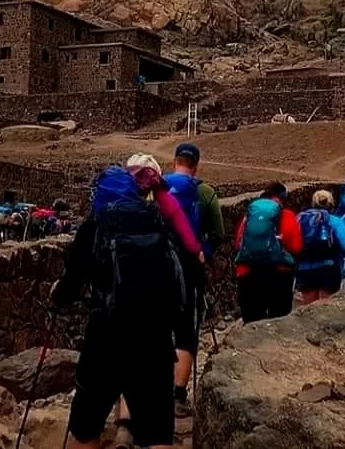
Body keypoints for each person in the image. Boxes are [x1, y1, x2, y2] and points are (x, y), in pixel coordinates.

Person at [52, 164, 184, 449]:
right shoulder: (156, 220)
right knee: (158, 434)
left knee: (86, 429)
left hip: (106, 340)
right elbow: (176, 280)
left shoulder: (94, 226)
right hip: (155, 340)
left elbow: (70, 284)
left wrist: (57, 300)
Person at [115, 154, 203, 449]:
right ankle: (160, 427)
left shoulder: (111, 211)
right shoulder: (166, 209)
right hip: (159, 306)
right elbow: (190, 243)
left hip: (122, 304)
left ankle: (125, 426)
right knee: (157, 366)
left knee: (127, 360)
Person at [163, 143, 224, 418]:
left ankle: (150, 391)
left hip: (158, 267)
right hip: (190, 269)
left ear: (174, 161)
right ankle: (178, 395)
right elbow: (217, 233)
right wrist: (204, 252)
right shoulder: (205, 193)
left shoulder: (157, 189)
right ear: (196, 165)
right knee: (187, 331)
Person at [234, 181, 303, 323]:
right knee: (278, 323)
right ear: (282, 198)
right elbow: (296, 247)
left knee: (251, 323)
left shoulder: (249, 216)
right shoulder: (288, 216)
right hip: (279, 275)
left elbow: (238, 244)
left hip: (248, 274)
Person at [296, 190, 345, 305]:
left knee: (308, 308)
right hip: (329, 269)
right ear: (331, 203)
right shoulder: (335, 221)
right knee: (326, 306)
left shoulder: (300, 219)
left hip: (304, 268)